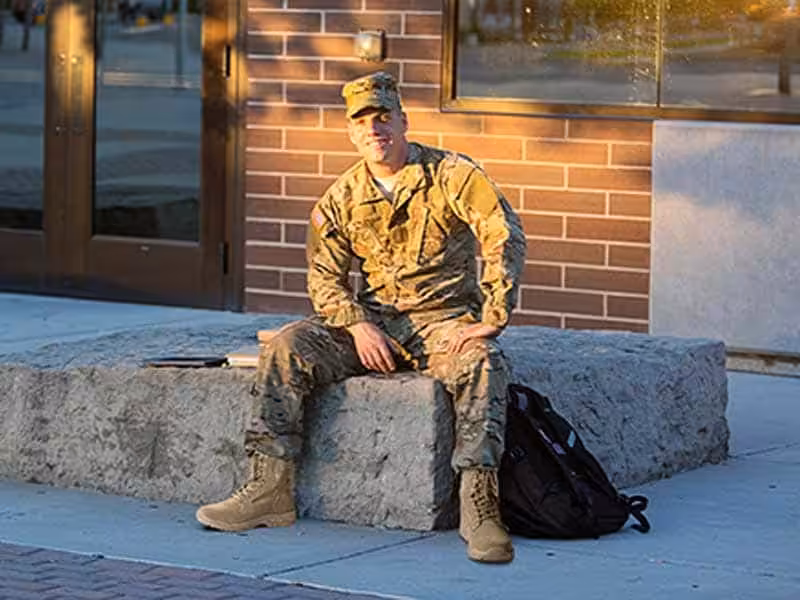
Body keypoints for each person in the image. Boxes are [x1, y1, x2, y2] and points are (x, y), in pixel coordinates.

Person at [196, 71, 527, 564]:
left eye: (384, 117)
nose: (375, 129)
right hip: (371, 323)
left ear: (403, 121)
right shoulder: (341, 197)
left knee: (482, 361)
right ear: (351, 133)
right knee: (287, 346)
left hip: (442, 320)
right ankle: (269, 490)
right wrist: (355, 323)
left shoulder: (452, 174)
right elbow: (323, 277)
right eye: (363, 123)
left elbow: (502, 232)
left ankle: (478, 505)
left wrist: (495, 311)